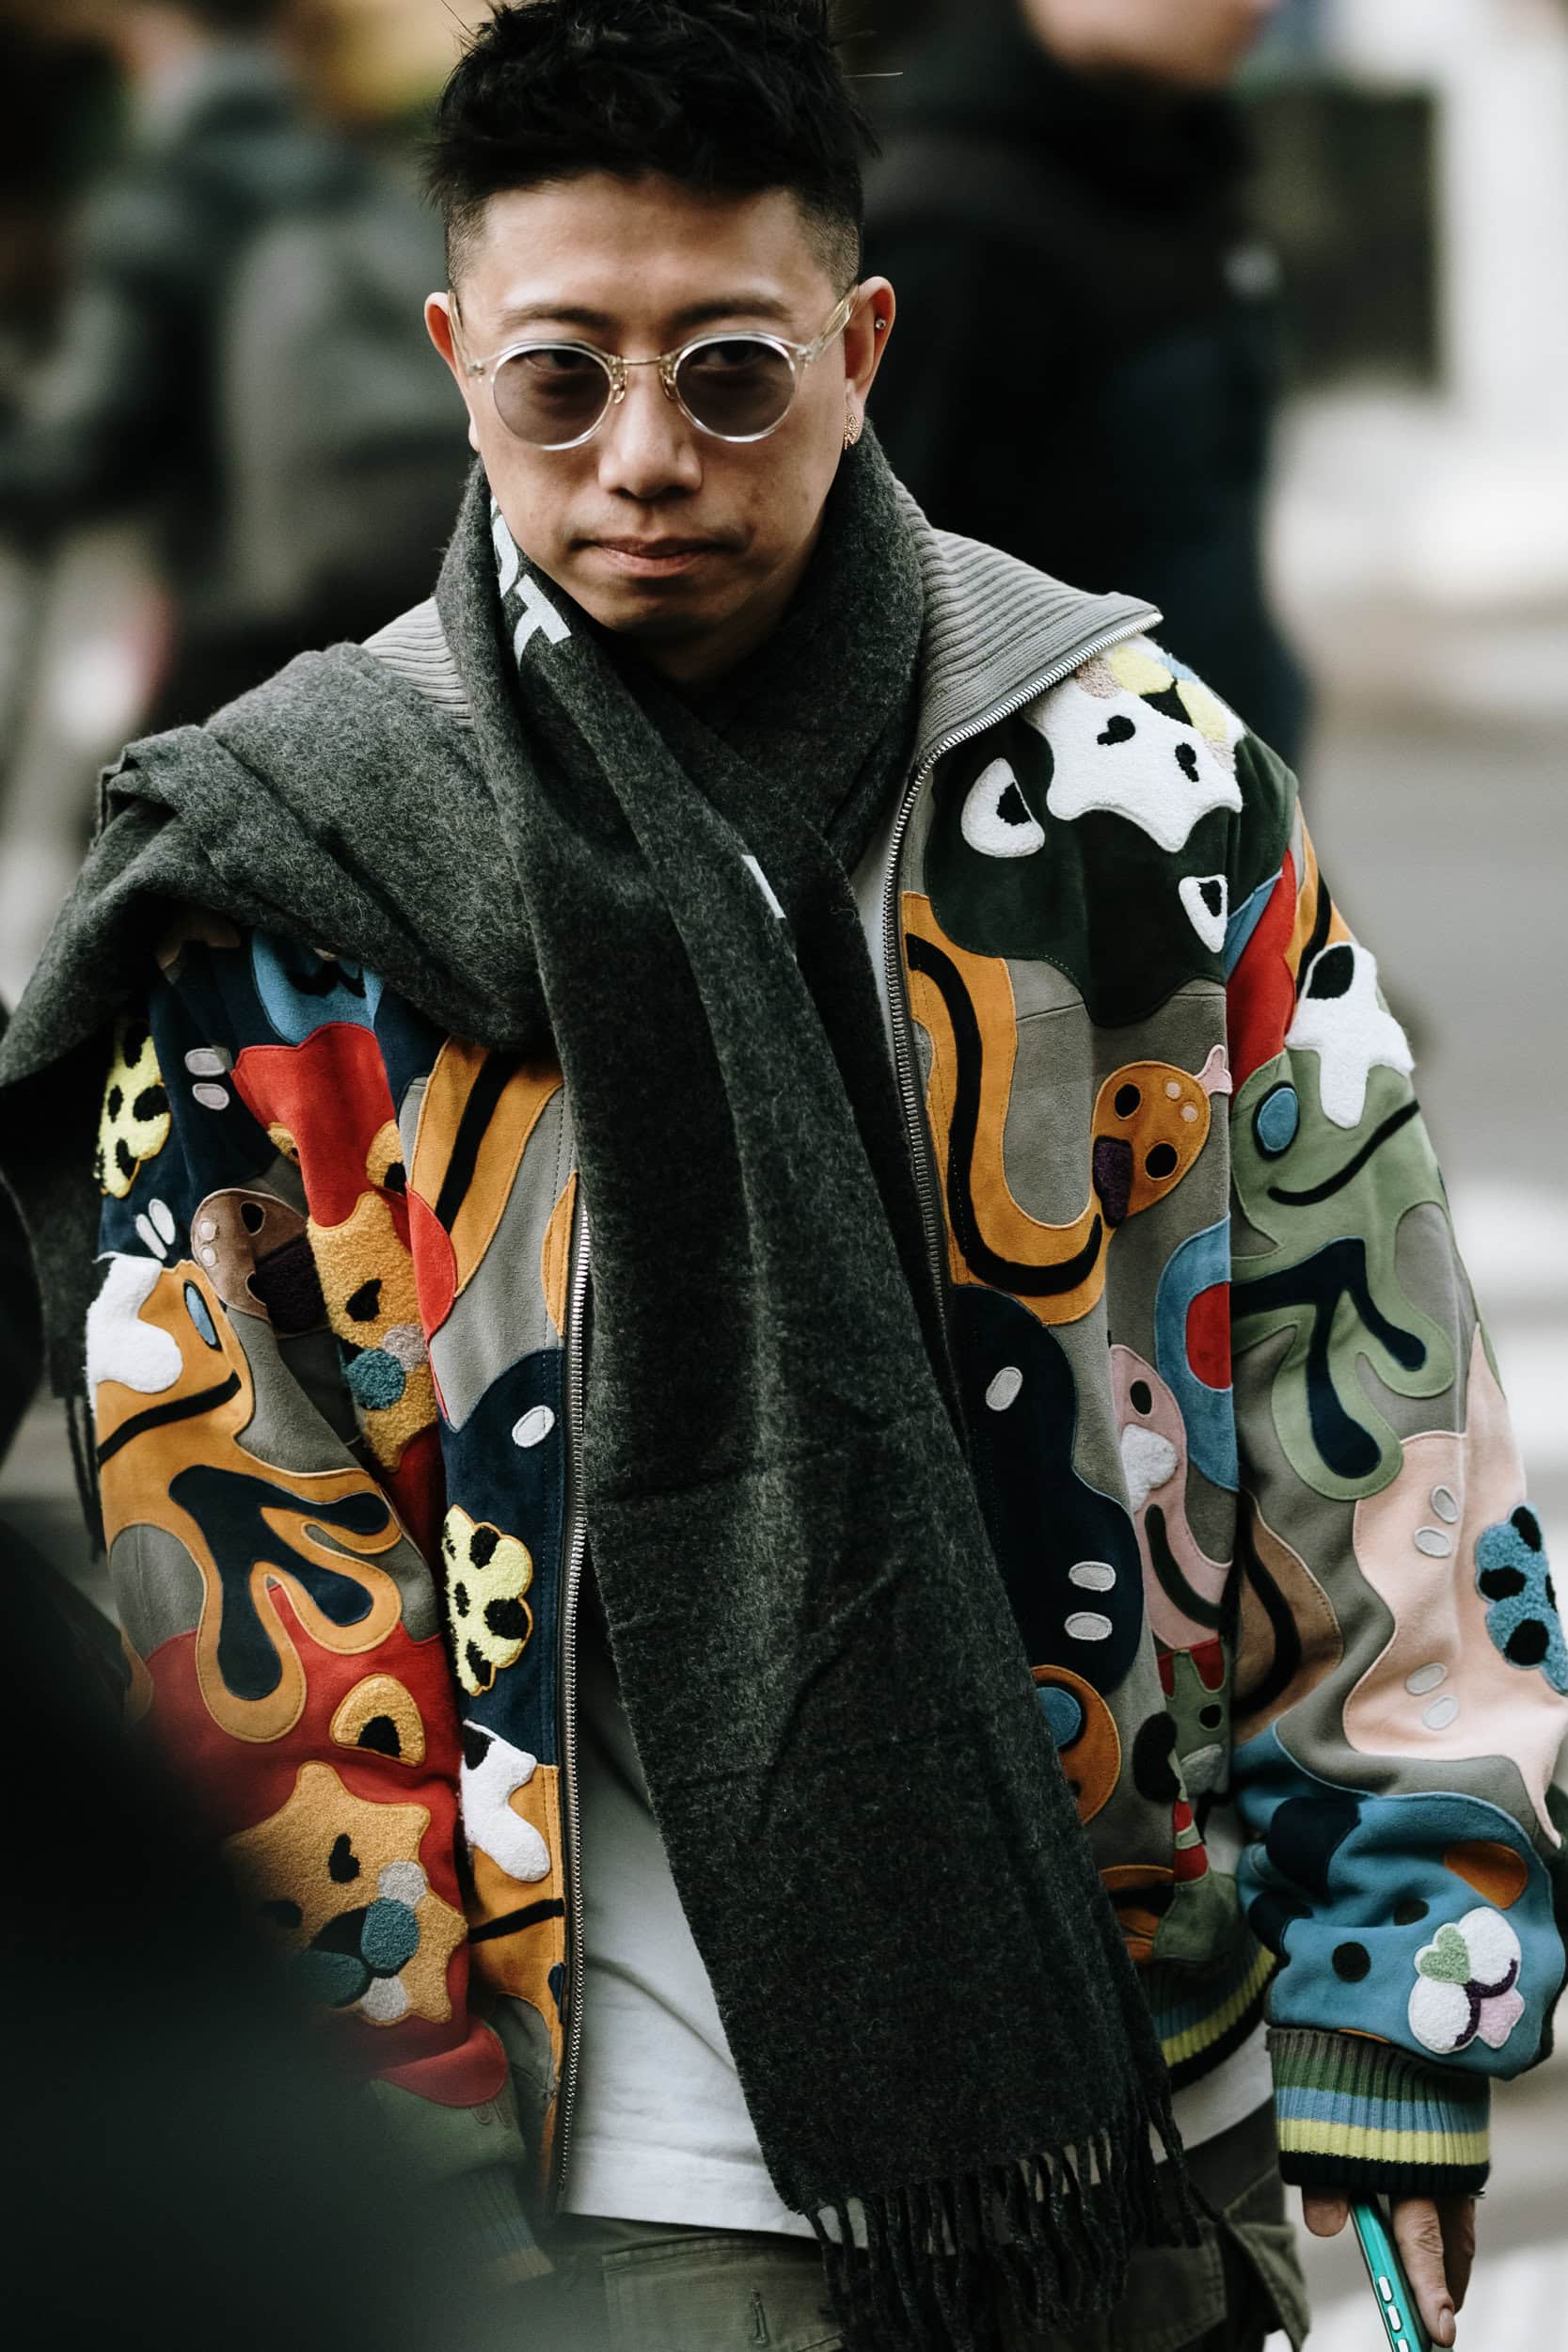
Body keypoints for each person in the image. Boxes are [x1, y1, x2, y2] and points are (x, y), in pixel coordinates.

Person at [0, 5, 1560, 2348]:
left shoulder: (1129, 791)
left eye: (728, 376)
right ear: (452, 360)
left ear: (858, 348)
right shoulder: (287, 887)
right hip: (592, 2192)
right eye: (560, 381)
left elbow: (1371, 1400)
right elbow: (247, 1573)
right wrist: (390, 2175)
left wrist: (1402, 1998)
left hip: (1138, 2113)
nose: (644, 458)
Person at [866, 0, 1310, 768]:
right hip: (1073, 811)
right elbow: (895, 619)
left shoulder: (1179, 171)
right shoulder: (955, 229)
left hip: (1218, 795)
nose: (1258, 7)